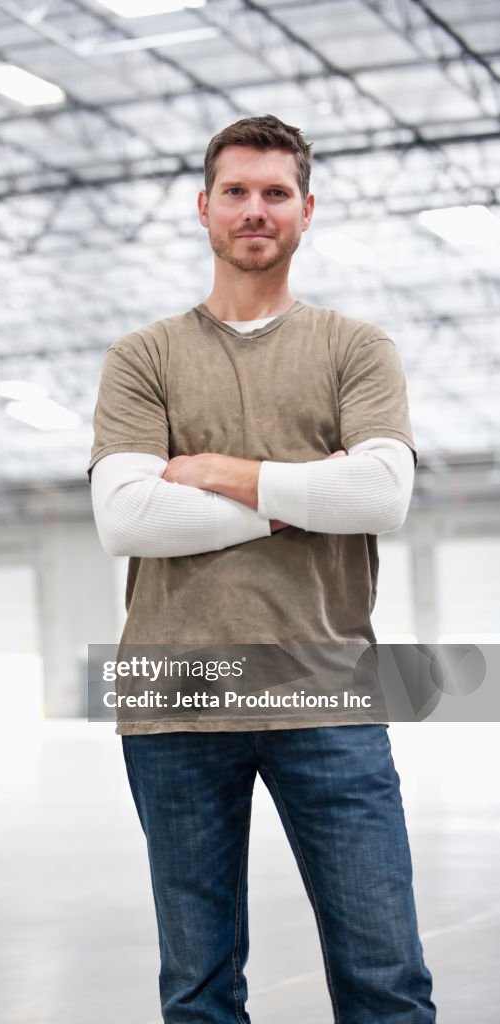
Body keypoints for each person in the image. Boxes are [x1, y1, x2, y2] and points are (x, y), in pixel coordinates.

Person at [88, 114, 436, 1023]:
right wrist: (306, 492)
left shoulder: (355, 350)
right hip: (174, 691)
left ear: (306, 210)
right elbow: (127, 516)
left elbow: (381, 499)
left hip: (327, 687)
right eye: (235, 192)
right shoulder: (144, 357)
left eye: (274, 193)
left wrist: (223, 475)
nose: (254, 209)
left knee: (384, 979)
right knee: (197, 989)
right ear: (202, 208)